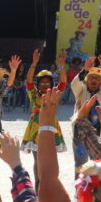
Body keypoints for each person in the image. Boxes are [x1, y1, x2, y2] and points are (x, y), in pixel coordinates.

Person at [21, 49, 67, 190]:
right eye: (42, 82)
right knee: (37, 159)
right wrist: (34, 64)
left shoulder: (55, 94)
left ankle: (50, 184)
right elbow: (29, 81)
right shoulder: (33, 95)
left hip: (52, 128)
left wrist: (61, 67)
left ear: (51, 84)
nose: (45, 84)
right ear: (38, 84)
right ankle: (38, 185)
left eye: (48, 82)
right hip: (36, 130)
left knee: (51, 158)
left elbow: (63, 83)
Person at [70, 55, 101, 175]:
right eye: (91, 77)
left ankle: (95, 186)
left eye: (97, 78)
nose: (93, 80)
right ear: (86, 80)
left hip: (98, 133)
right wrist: (85, 70)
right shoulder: (81, 90)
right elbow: (74, 84)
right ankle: (79, 186)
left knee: (98, 164)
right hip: (80, 133)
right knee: (80, 164)